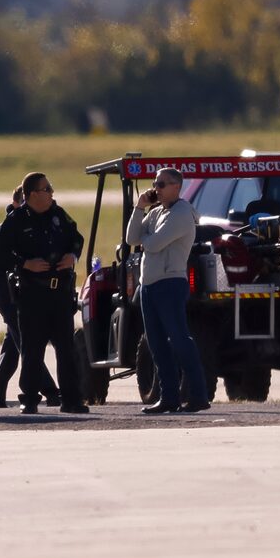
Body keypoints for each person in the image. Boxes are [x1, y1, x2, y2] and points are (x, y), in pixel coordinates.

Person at [0, 173, 88, 414]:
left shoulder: (59, 215)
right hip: (32, 295)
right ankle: (29, 398)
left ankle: (72, 399)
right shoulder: (16, 220)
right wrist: (24, 264)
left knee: (66, 349)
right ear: (32, 194)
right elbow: (0, 256)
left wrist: (73, 256)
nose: (51, 192)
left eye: (50, 188)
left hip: (59, 294)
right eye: (46, 188)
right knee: (32, 350)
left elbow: (77, 238)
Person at [124, 168, 209, 415]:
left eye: (161, 184)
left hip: (170, 284)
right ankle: (168, 397)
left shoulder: (182, 213)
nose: (156, 189)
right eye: (155, 184)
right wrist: (139, 208)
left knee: (180, 340)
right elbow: (132, 239)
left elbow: (153, 243)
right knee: (157, 344)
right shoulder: (157, 212)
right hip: (149, 284)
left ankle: (198, 394)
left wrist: (147, 238)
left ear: (176, 187)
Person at [0, 182, 55, 410]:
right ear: (16, 203)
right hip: (9, 294)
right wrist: (12, 278)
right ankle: (52, 391)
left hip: (27, 294)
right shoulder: (2, 230)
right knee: (26, 343)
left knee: (13, 346)